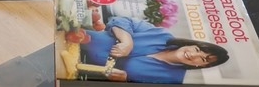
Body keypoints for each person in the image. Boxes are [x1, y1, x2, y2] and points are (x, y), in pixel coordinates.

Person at [64, 16, 231, 83]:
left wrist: (124, 81)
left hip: (75, 75)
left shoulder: (172, 79)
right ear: (190, 44)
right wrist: (127, 40)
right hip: (71, 40)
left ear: (200, 67)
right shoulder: (161, 35)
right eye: (197, 49)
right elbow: (122, 20)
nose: (193, 55)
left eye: (202, 59)